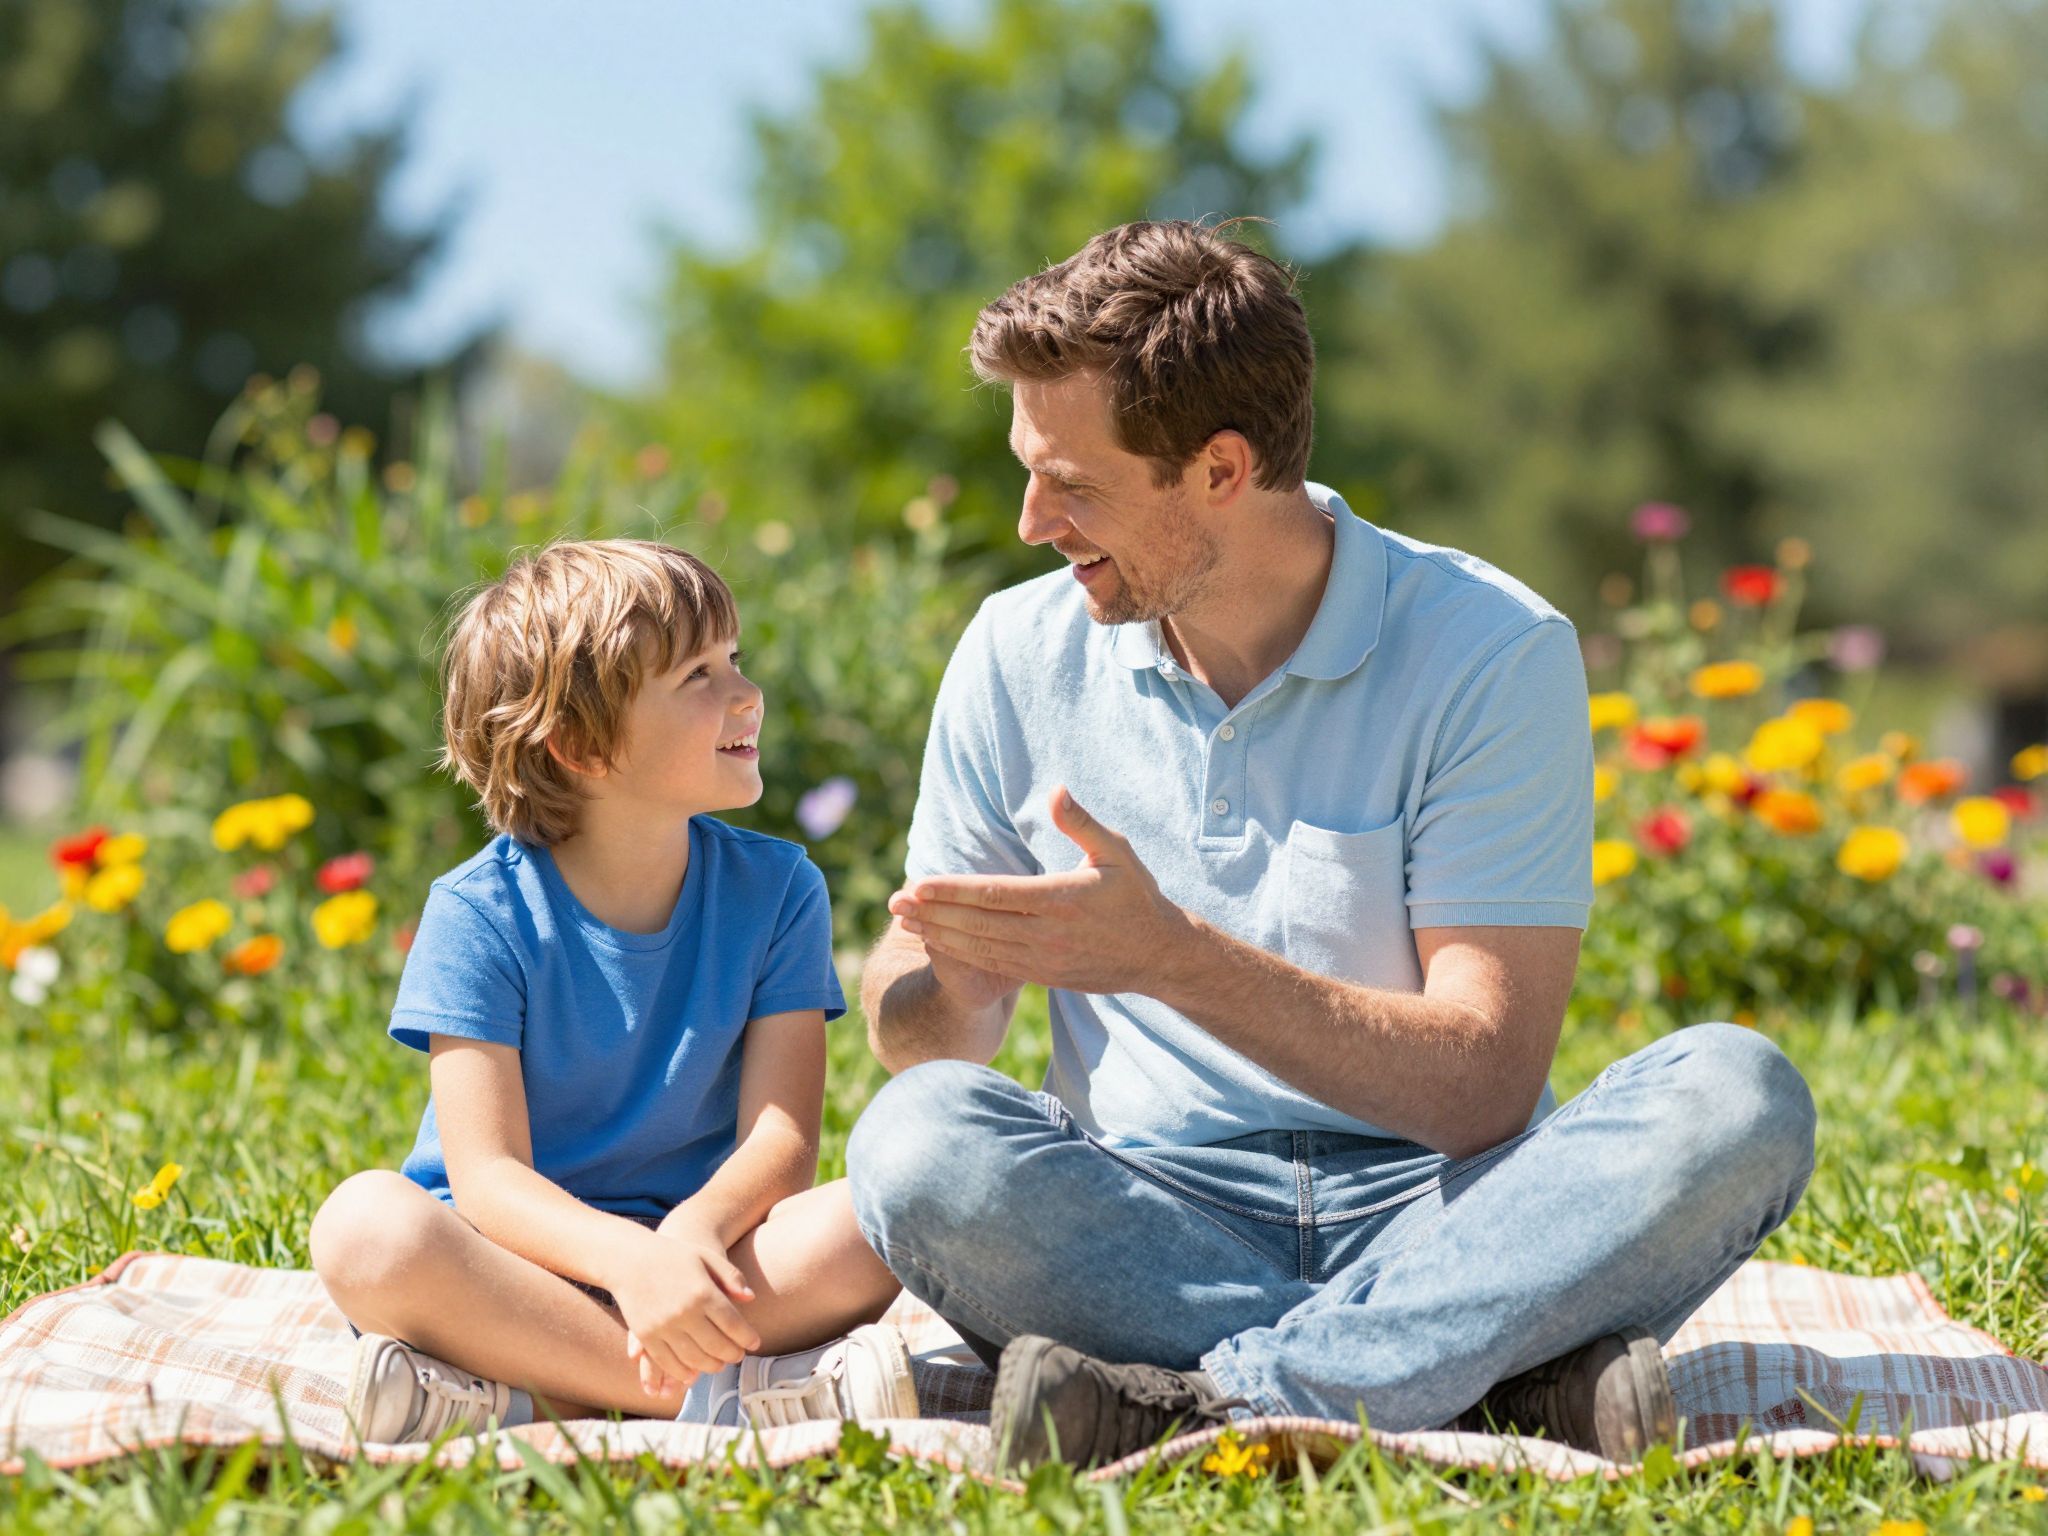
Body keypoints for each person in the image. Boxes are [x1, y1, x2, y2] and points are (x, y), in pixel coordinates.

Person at [846, 220, 1817, 1466]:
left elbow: (1480, 1087)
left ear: (1220, 469)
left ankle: (1213, 1400)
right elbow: (909, 1031)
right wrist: (953, 985)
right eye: (1026, 470)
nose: (1032, 521)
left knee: (1736, 1098)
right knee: (915, 1139)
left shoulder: (1489, 650)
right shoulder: (1016, 651)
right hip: (1144, 1217)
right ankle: (1483, 1381)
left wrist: (1169, 958)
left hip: (1444, 1210)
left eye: (1073, 484)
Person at [309, 538, 915, 1444]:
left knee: (896, 1194)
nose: (746, 695)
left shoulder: (781, 889)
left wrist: (688, 1240)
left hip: (712, 1254)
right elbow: (488, 1180)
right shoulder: (476, 914)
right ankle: (713, 1396)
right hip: (513, 1268)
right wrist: (630, 1265)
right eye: (698, 678)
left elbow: (781, 1142)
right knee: (364, 1230)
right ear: (582, 746)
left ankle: (522, 1395)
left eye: (735, 662)